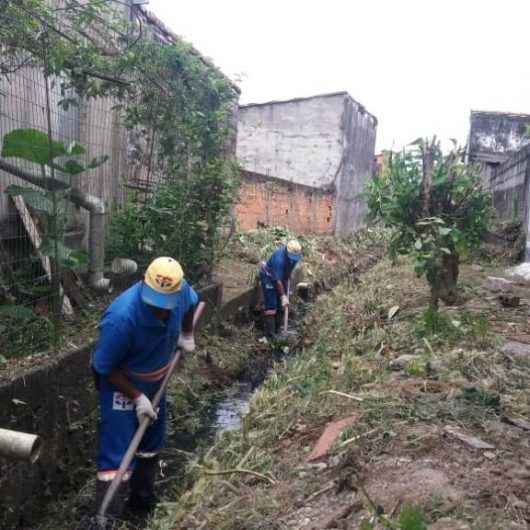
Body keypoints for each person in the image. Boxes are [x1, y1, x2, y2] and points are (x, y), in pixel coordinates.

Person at [90, 257, 198, 520]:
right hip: (121, 386)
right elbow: (104, 368)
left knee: (150, 444)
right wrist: (137, 398)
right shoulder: (121, 318)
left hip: (156, 383)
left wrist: (186, 334)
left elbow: (191, 304)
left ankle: (141, 505)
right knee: (116, 458)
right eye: (155, 304)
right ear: (143, 284)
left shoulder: (181, 291)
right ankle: (108, 517)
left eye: (166, 305)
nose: (161, 311)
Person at [258, 239, 302, 337]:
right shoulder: (279, 259)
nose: (293, 260)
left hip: (281, 278)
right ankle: (270, 336)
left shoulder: (295, 257)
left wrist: (288, 275)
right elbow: (277, 281)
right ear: (287, 251)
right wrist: (283, 296)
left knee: (281, 306)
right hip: (269, 278)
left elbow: (288, 270)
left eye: (295, 258)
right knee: (272, 306)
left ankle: (278, 331)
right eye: (292, 257)